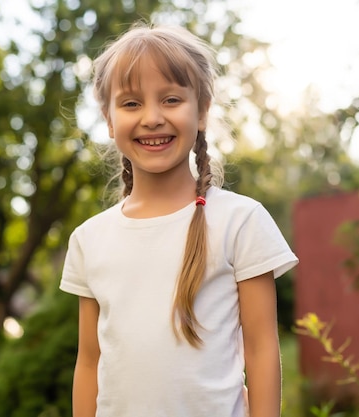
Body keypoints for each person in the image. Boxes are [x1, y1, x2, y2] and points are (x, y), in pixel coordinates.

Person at [60, 22, 298, 417]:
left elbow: (261, 351)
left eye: (171, 100)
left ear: (202, 110)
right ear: (108, 119)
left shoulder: (241, 221)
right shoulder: (89, 239)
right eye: (131, 103)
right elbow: (88, 362)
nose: (152, 118)